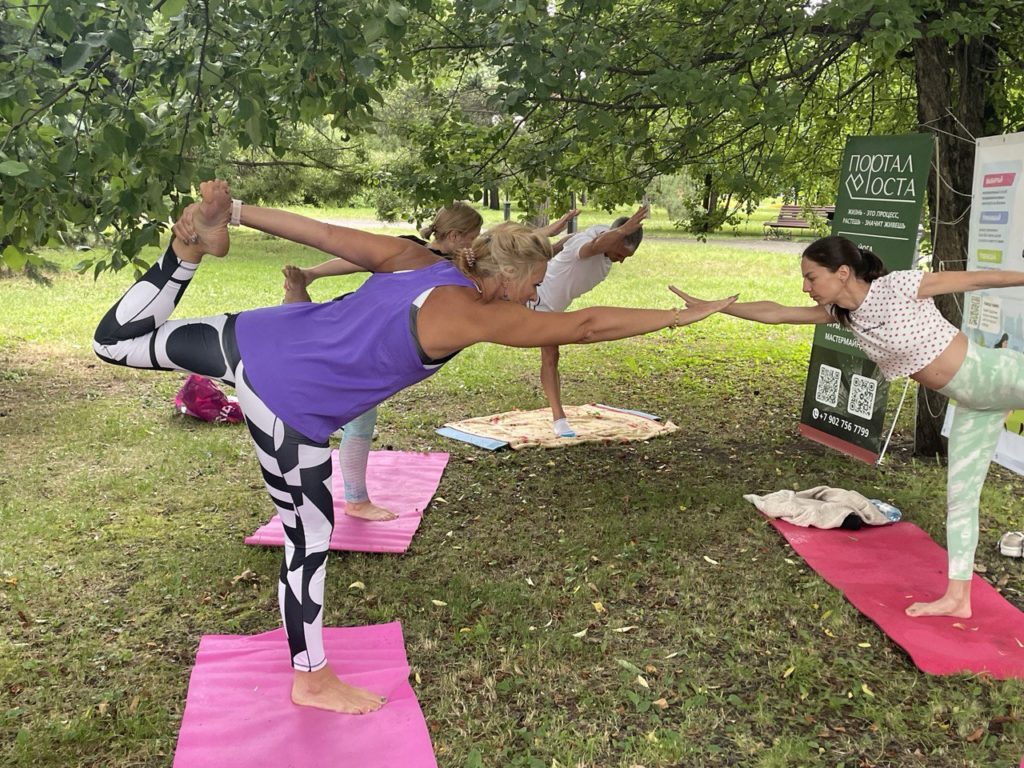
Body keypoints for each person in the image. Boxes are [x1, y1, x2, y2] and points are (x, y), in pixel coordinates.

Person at [93, 180, 736, 716]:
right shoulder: (476, 313)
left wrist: (233, 212)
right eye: (531, 285)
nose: (534, 298)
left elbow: (322, 234)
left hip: (253, 336)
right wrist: (681, 317)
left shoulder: (414, 258)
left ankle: (188, 248)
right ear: (504, 278)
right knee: (308, 538)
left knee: (115, 342)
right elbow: (588, 325)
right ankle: (310, 676)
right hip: (290, 401)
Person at [671, 234, 1024, 620]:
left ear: (842, 273)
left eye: (811, 277)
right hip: (976, 403)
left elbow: (973, 280)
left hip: (1001, 375)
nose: (805, 287)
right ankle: (958, 597)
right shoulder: (844, 314)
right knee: (961, 498)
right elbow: (777, 312)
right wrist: (719, 308)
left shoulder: (899, 287)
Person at [276, 204, 579, 522]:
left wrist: (311, 274)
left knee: (312, 342)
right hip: (370, 338)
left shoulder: (442, 255)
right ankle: (355, 500)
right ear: (454, 236)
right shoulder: (447, 263)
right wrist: (312, 274)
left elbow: (510, 248)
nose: (475, 245)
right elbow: (353, 258)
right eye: (472, 237)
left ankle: (295, 308)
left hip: (360, 325)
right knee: (348, 414)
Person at [532, 205, 649, 437]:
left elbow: (571, 241)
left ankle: (559, 419)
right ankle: (559, 419)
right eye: (620, 255)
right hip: (535, 298)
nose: (621, 262)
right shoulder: (591, 242)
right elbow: (592, 246)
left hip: (551, 306)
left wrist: (553, 250)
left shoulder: (597, 238)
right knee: (551, 354)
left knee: (552, 355)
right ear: (613, 240)